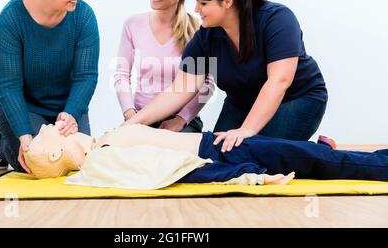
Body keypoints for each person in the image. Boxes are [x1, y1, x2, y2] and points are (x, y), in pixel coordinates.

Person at [124, 0, 328, 152]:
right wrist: (131, 125)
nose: (196, 10)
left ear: (228, 1)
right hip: (241, 102)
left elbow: (279, 81)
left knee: (257, 153)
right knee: (216, 154)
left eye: (203, 3)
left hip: (297, 98)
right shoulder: (207, 35)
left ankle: (323, 150)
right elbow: (180, 90)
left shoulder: (277, 19)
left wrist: (246, 129)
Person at [0, 0, 100, 174]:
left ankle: (24, 134)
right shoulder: (11, 19)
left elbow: (85, 75)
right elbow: (8, 85)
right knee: (38, 164)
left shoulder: (84, 16)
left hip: (66, 102)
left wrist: (71, 113)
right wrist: (23, 134)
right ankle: (2, 140)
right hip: (24, 102)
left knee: (79, 162)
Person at [28, 124, 388, 184]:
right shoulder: (104, 158)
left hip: (219, 143)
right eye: (53, 133)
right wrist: (250, 175)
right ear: (59, 150)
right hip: (223, 153)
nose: (59, 127)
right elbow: (178, 171)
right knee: (320, 161)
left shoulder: (103, 142)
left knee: (312, 155)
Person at [114, 0, 214, 133]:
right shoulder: (132, 24)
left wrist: (181, 119)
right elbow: (121, 74)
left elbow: (207, 83)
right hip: (139, 116)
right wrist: (131, 114)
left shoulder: (197, 30)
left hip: (181, 123)